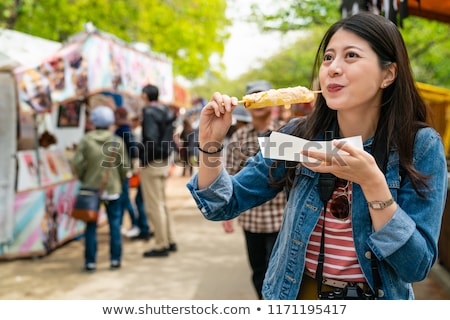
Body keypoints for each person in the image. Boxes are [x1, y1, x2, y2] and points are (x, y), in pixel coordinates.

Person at [186, 12, 447, 300]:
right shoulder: (296, 136)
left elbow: (417, 266)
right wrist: (209, 146)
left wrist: (373, 184)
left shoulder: (420, 145)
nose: (333, 68)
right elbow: (223, 204)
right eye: (328, 57)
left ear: (388, 74)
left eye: (351, 56)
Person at [222, 80, 286, 299]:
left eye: (264, 95)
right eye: (254, 96)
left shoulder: (285, 132)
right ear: (247, 103)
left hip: (281, 218)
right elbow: (229, 174)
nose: (259, 101)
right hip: (251, 219)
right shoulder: (240, 137)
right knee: (258, 270)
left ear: (273, 101)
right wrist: (225, 211)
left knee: (276, 271)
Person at [72, 106, 130, 271]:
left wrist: (85, 177)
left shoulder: (86, 139)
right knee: (115, 225)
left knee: (90, 226)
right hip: (113, 189)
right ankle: (115, 260)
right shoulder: (116, 141)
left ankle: (90, 262)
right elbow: (124, 167)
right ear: (111, 122)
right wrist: (117, 181)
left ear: (94, 122)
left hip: (91, 189)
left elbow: (76, 163)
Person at [139, 84, 178, 257]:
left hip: (153, 162)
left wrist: (144, 160)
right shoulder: (165, 111)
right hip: (163, 161)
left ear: (145, 95)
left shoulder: (149, 112)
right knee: (161, 203)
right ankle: (170, 240)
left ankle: (161, 244)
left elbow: (150, 139)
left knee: (154, 206)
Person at [114, 107, 140, 237]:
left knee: (125, 199)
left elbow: (132, 149)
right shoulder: (126, 129)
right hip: (125, 169)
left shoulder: (122, 130)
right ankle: (123, 224)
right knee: (124, 198)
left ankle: (133, 224)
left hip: (123, 170)